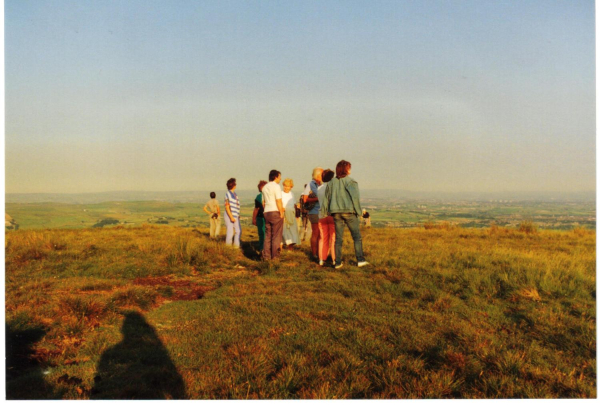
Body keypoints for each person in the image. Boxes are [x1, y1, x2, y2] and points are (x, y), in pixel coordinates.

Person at [322, 160, 369, 269]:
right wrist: (359, 212)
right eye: (349, 167)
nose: (350, 170)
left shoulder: (331, 183)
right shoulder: (351, 182)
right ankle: (360, 260)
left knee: (338, 239)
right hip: (349, 212)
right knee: (357, 237)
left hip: (336, 213)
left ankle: (338, 262)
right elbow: (355, 198)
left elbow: (326, 199)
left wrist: (324, 212)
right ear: (346, 169)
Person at [262, 170, 285, 260]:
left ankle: (266, 256)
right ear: (275, 177)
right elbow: (278, 200)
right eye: (279, 176)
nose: (280, 178)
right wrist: (281, 212)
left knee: (268, 236)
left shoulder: (264, 187)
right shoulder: (276, 186)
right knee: (276, 236)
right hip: (275, 211)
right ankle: (275, 257)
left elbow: (263, 202)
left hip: (267, 212)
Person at [302, 167, 323, 260]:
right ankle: (314, 254)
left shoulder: (321, 184)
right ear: (318, 175)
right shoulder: (310, 184)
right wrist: (318, 198)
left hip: (322, 212)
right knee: (316, 233)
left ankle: (320, 253)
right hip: (314, 211)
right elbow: (305, 199)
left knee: (320, 234)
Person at [317, 169, 336, 267]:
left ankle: (321, 258)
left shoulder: (319, 188)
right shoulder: (333, 188)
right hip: (332, 215)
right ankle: (334, 258)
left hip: (321, 215)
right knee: (333, 238)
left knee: (323, 237)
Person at [281, 178, 300, 248]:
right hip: (284, 215)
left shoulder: (292, 194)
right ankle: (281, 247)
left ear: (291, 187)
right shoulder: (281, 193)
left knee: (292, 231)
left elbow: (294, 204)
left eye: (288, 186)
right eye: (285, 186)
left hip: (291, 216)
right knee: (284, 231)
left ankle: (290, 247)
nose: (286, 188)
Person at [224, 178, 241, 248]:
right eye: (235, 183)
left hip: (235, 215)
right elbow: (227, 207)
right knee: (230, 232)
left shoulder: (235, 194)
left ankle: (236, 247)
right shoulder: (227, 194)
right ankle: (228, 247)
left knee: (238, 231)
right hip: (229, 215)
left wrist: (237, 214)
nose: (236, 184)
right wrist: (231, 217)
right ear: (233, 185)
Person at [252, 181, 268, 251]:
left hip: (260, 217)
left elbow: (256, 209)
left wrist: (254, 219)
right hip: (267, 217)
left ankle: (262, 249)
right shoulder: (269, 195)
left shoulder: (258, 196)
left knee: (261, 234)